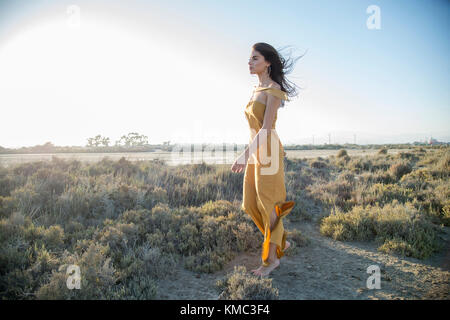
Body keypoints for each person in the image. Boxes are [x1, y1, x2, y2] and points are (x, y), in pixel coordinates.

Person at [231, 42, 301, 277]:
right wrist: (248, 152)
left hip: (268, 151)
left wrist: (244, 154)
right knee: (250, 204)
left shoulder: (273, 88)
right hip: (255, 151)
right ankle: (280, 240)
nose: (249, 62)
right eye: (250, 58)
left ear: (268, 62)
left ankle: (271, 260)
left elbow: (267, 129)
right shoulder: (255, 90)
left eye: (255, 58)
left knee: (269, 204)